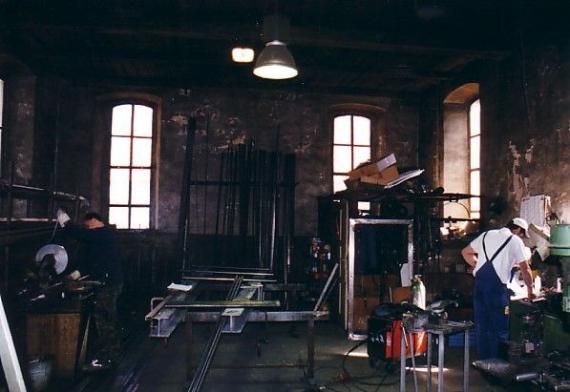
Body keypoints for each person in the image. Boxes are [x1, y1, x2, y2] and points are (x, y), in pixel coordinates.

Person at [57, 210, 123, 370]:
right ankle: (107, 356)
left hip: (109, 284)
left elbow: (83, 235)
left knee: (105, 320)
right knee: (104, 319)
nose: (86, 229)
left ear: (94, 221)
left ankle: (108, 359)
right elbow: (90, 260)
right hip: (107, 282)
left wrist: (67, 224)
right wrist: (76, 273)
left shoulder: (104, 234)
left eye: (87, 226)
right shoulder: (99, 238)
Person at [461, 217, 534, 360]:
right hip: (496, 289)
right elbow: (525, 268)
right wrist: (531, 291)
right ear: (518, 229)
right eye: (522, 234)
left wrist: (477, 266)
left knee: (482, 326)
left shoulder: (487, 235)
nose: (521, 237)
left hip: (480, 287)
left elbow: (465, 252)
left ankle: (484, 363)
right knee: (500, 328)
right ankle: (498, 365)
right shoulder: (514, 240)